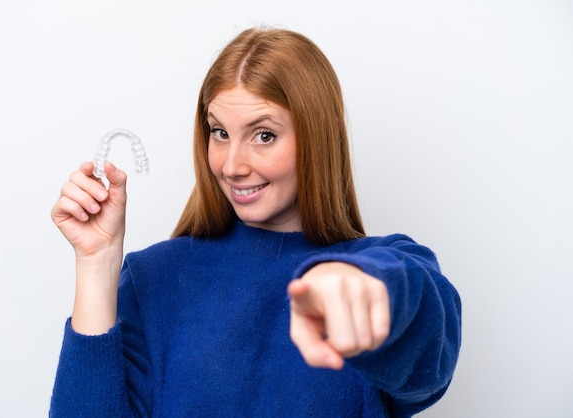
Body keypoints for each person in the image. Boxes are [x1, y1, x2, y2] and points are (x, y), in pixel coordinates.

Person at [49, 27, 461, 418]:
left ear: (317, 136)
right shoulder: (155, 277)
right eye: (219, 132)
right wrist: (96, 263)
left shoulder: (386, 263)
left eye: (263, 135)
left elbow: (427, 345)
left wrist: (361, 287)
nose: (231, 166)